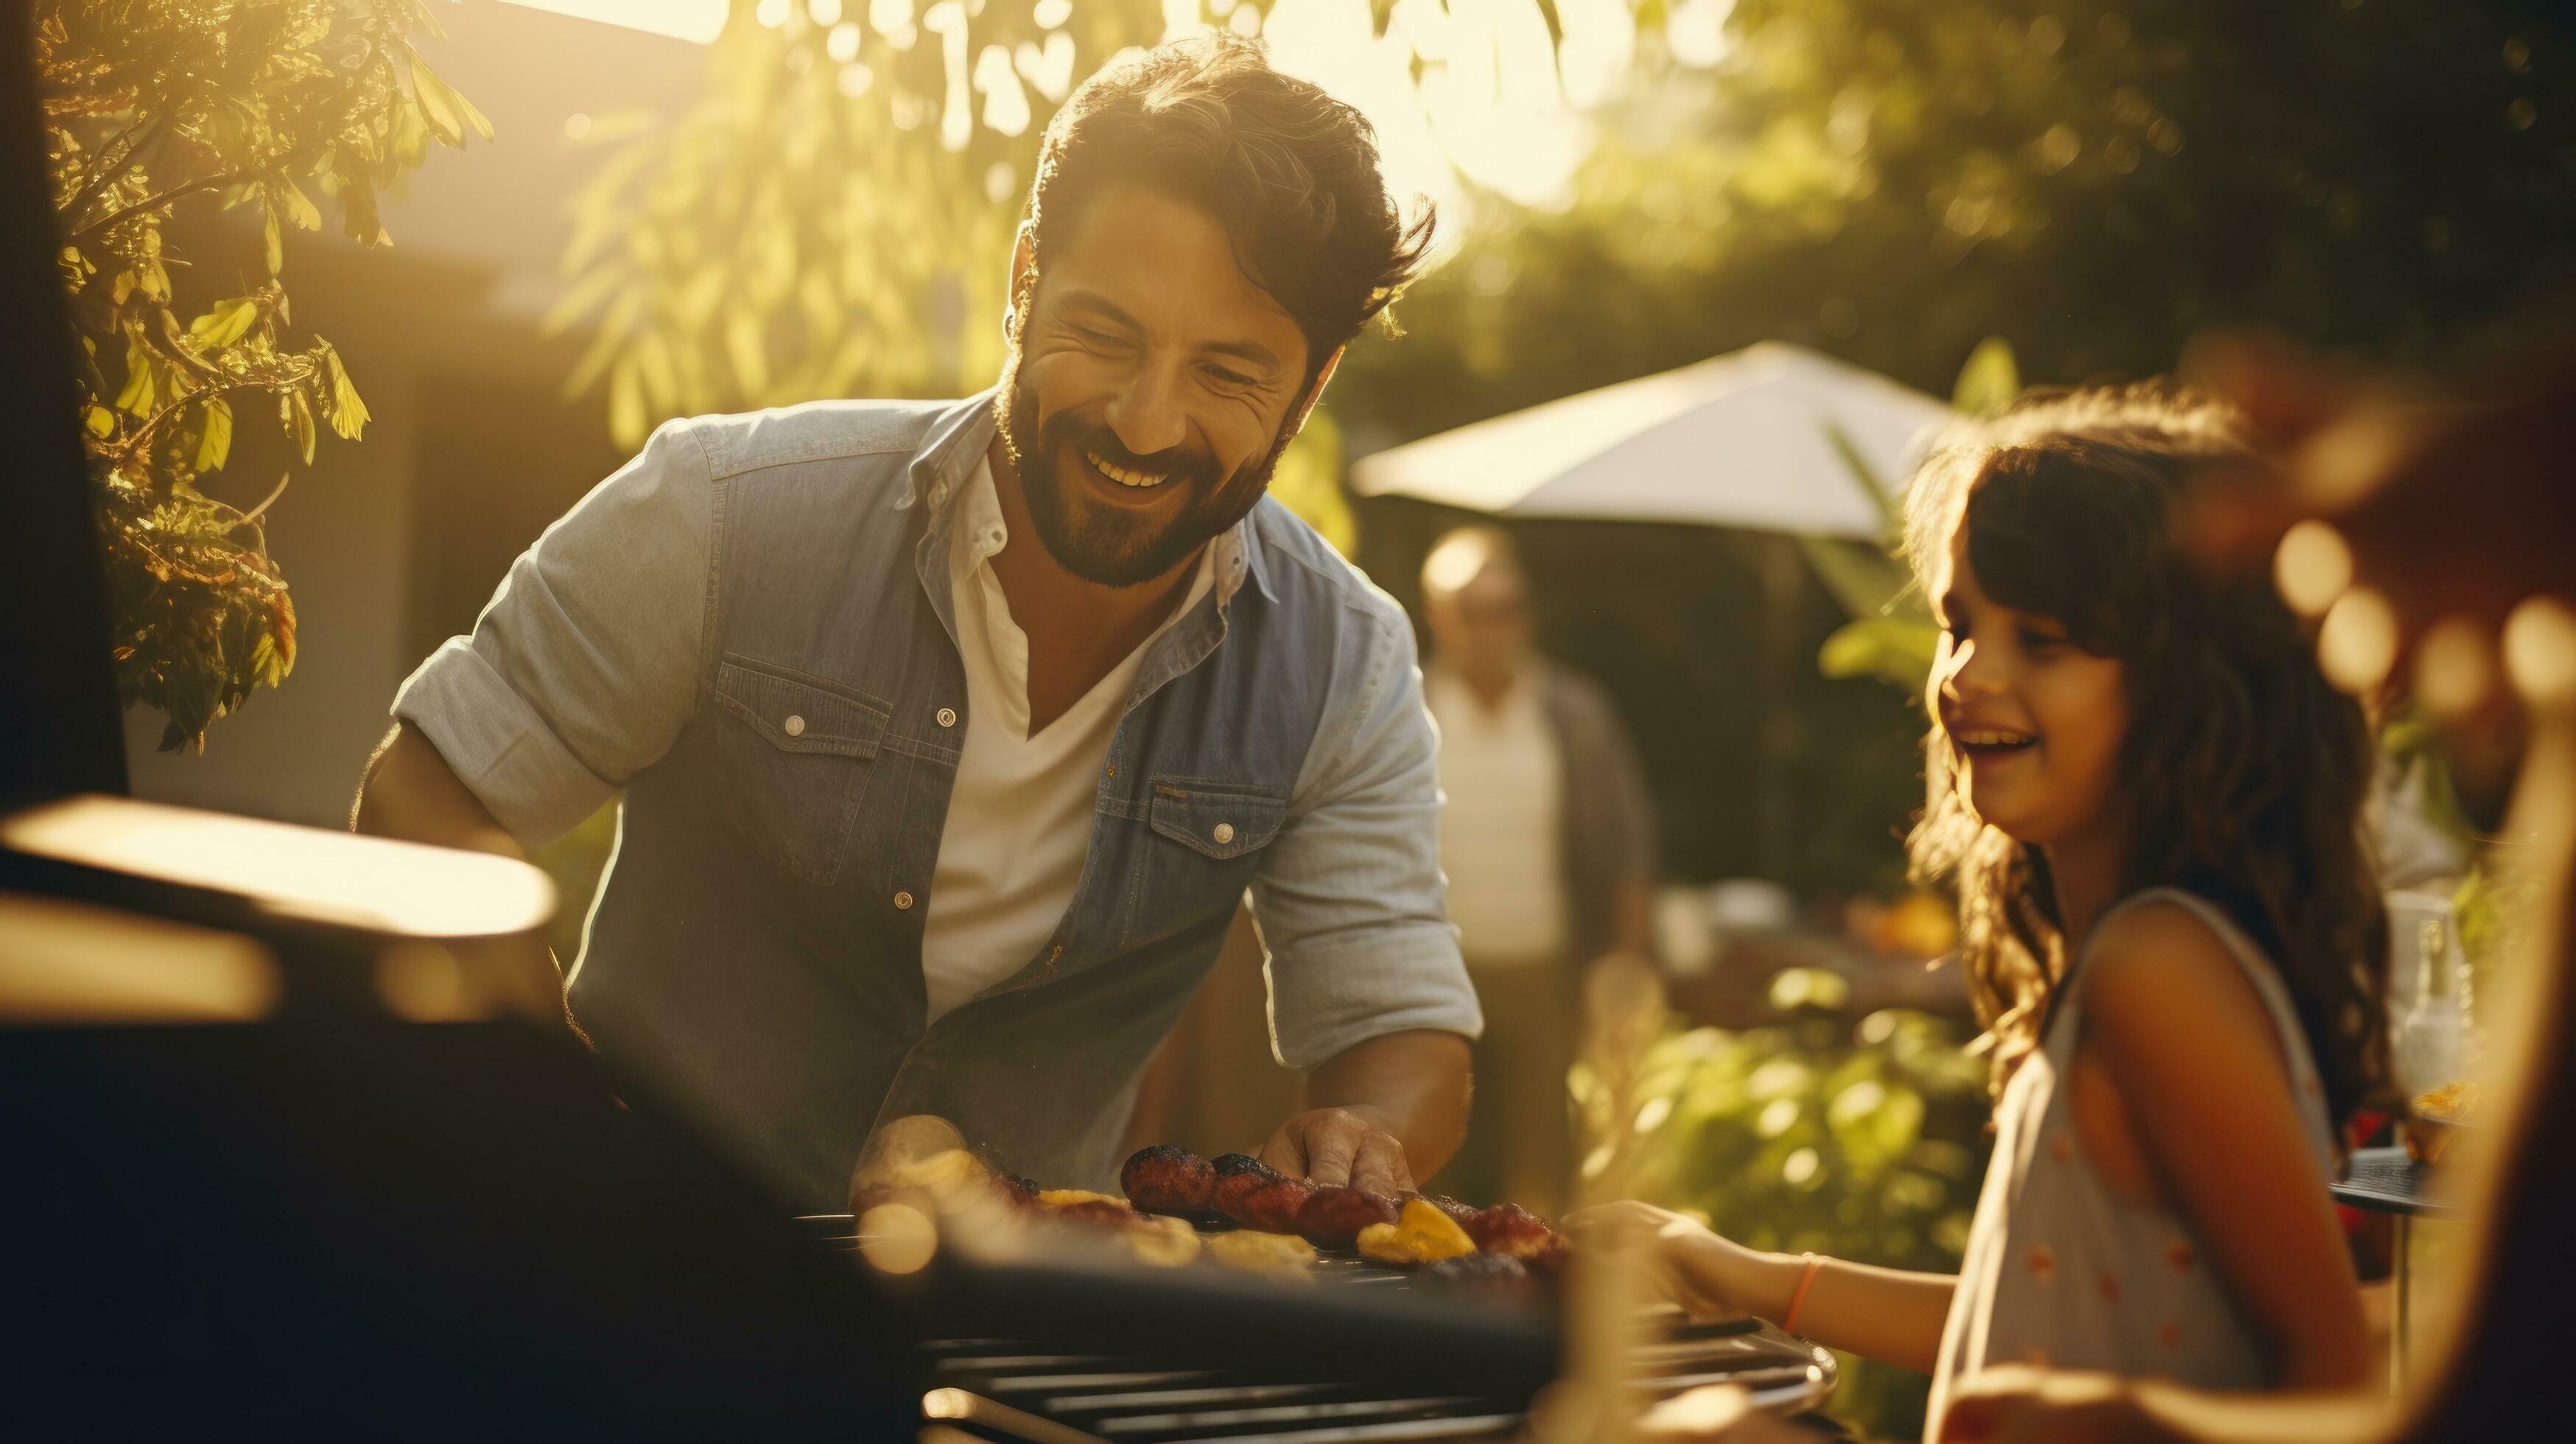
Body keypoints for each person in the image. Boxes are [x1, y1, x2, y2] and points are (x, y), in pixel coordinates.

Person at [351, 36, 1483, 1209]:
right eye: (1104, 335)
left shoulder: (1343, 663)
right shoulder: (720, 515)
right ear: (1023, 278)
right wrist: (553, 1098)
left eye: (1226, 373)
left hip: (1014, 1340)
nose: (1146, 424)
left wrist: (1367, 1130)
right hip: (613, 1251)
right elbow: (424, 798)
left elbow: (1402, 1028)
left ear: (1312, 383)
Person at [1571, 384, 2389, 1434]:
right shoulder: (2122, 960)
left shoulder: (2159, 970)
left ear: (2187, 683)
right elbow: (2030, 1331)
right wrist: (1752, 1278)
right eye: (1960, 625)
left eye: (2041, 640)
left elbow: (2331, 1381)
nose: (1968, 676)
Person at [1417, 525, 1657, 1213]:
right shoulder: (1408, 711)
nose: (1492, 627)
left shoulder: (1575, 714)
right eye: (1472, 609)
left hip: (1541, 970)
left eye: (1507, 608)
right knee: (1432, 1158)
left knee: (1540, 1163)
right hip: (1433, 974)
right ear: (1438, 615)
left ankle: (1527, 1307)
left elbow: (1624, 847)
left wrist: (1626, 969)